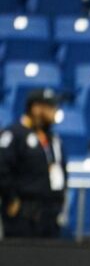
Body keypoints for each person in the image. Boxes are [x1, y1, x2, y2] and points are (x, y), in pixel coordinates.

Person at [0, 87, 66, 239]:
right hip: (23, 212)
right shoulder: (14, 134)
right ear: (36, 108)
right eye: (50, 107)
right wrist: (11, 199)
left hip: (49, 213)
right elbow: (2, 168)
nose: (54, 112)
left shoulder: (53, 138)